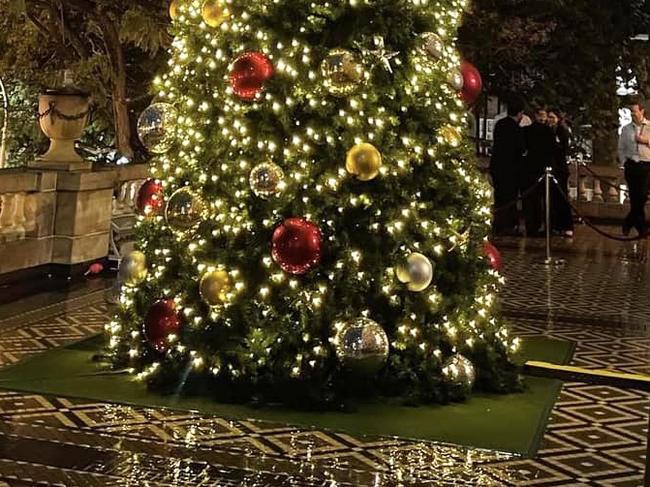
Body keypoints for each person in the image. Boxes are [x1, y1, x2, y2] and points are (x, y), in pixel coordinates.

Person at [490, 96, 526, 235]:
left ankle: (498, 224)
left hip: (498, 167)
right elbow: (520, 149)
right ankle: (509, 225)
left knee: (499, 197)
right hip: (511, 169)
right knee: (510, 198)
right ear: (520, 113)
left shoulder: (500, 125)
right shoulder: (516, 129)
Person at [521, 108, 555, 237]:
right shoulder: (548, 132)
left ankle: (532, 226)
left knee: (531, 200)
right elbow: (553, 150)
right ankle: (547, 226)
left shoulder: (527, 131)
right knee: (545, 200)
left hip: (530, 167)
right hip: (544, 168)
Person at [618, 99, 650, 237]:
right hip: (631, 165)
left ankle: (629, 222)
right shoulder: (626, 129)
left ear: (642, 111)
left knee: (642, 196)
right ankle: (642, 229)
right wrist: (624, 161)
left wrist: (646, 141)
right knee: (635, 197)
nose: (632, 114)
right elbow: (621, 148)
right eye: (631, 112)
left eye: (635, 111)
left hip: (646, 165)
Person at [547, 109, 574, 237]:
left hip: (560, 169)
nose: (550, 120)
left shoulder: (562, 131)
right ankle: (555, 225)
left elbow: (562, 149)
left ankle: (566, 225)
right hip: (552, 168)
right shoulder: (549, 130)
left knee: (562, 197)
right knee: (552, 199)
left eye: (552, 117)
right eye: (549, 117)